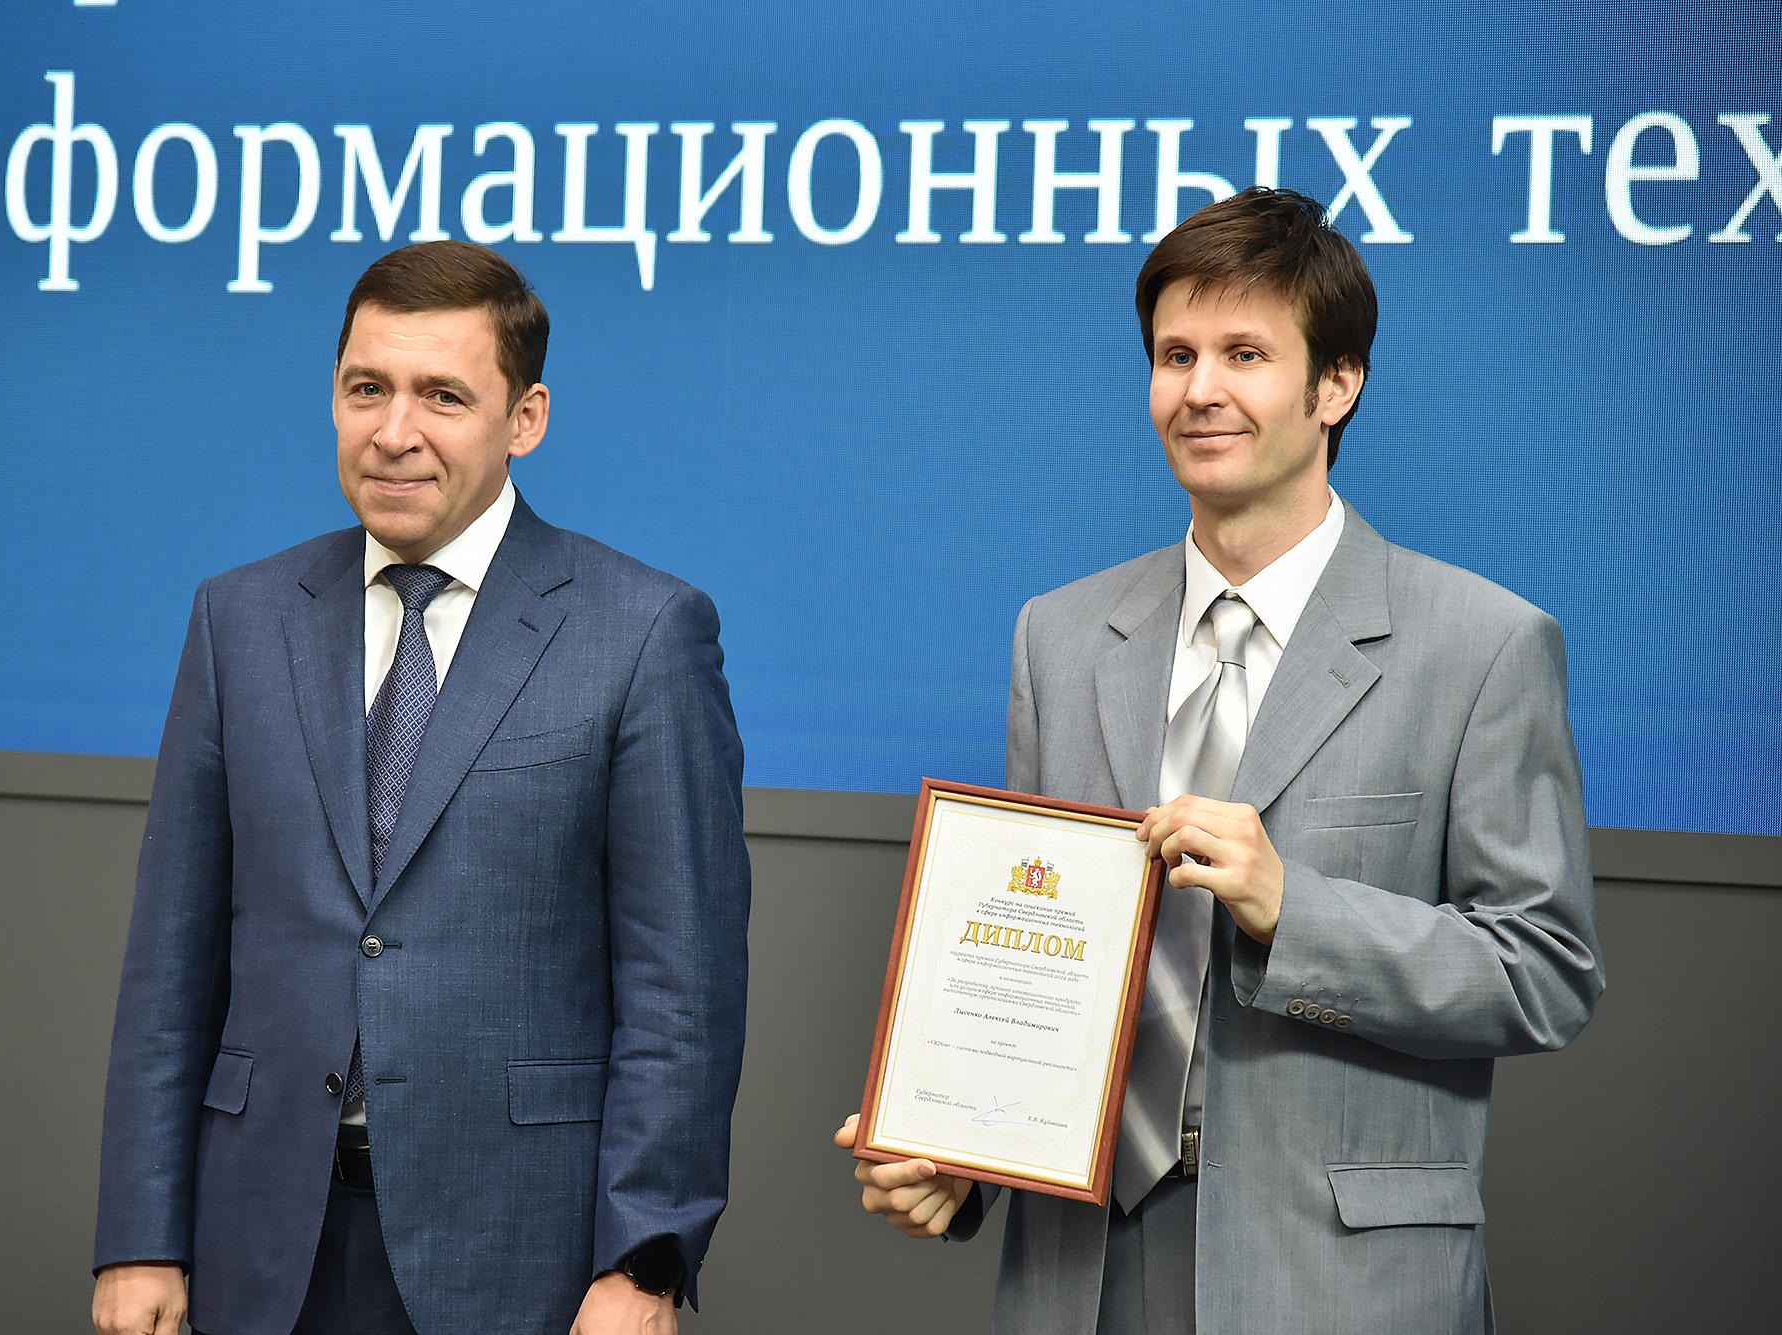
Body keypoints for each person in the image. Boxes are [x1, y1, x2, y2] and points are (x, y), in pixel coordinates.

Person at [838, 187, 1603, 1333]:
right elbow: (1038, 967)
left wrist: (1295, 909)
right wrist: (955, 1159)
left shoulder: (1481, 645)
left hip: (1334, 1280)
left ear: (1334, 385)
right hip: (1083, 1269)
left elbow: (1543, 969)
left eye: (1244, 354)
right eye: (1174, 355)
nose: (1198, 389)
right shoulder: (1059, 637)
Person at [92, 240, 751, 1335]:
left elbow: (680, 994)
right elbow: (171, 963)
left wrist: (642, 1264)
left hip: (519, 1259)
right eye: (367, 389)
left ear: (525, 418)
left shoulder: (642, 631)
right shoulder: (238, 620)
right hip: (260, 1247)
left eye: (442, 395)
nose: (394, 431)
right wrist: (140, 1233)